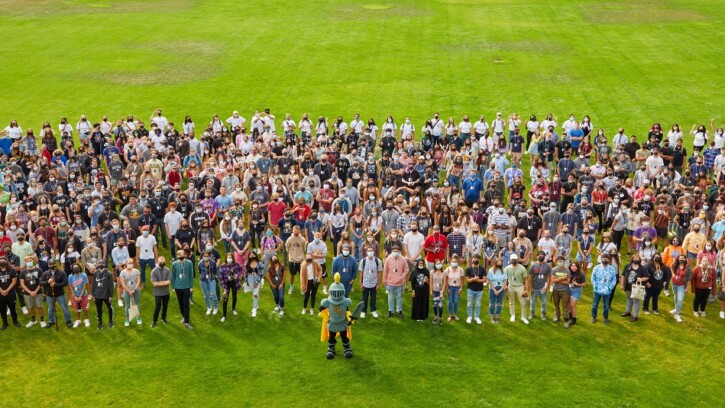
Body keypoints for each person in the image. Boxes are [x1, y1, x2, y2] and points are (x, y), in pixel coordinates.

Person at [40, 262, 72, 328]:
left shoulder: (62, 273)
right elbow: (40, 283)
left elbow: (65, 283)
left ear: (56, 264)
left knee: (64, 308)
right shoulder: (45, 273)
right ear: (48, 265)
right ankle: (51, 321)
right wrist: (47, 282)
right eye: (50, 264)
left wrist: (55, 284)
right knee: (50, 308)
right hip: (49, 295)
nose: (52, 265)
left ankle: (68, 320)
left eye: (53, 264)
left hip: (60, 294)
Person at [621, 254, 650, 323]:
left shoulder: (642, 268)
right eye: (634, 258)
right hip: (628, 286)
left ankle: (635, 316)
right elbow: (623, 275)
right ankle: (628, 312)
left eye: (637, 258)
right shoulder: (628, 266)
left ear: (639, 260)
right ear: (632, 259)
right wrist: (622, 284)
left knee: (636, 301)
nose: (636, 259)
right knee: (629, 299)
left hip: (637, 288)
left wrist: (641, 279)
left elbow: (647, 277)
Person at [382, 245, 409, 318]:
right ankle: (390, 311)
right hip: (390, 282)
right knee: (390, 297)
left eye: (397, 251)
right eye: (394, 251)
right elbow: (385, 270)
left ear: (400, 251)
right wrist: (384, 280)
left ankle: (399, 311)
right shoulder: (388, 259)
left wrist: (401, 277)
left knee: (399, 297)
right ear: (391, 251)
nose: (395, 252)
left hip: (399, 283)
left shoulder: (403, 259)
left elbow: (406, 270)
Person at [591, 254, 618, 324]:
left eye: (606, 259)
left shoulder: (612, 269)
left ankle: (606, 318)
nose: (604, 260)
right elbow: (592, 278)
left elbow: (614, 280)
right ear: (601, 259)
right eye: (603, 259)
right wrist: (595, 286)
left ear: (609, 260)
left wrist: (610, 288)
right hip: (597, 290)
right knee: (594, 305)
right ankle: (593, 317)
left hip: (607, 291)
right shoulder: (596, 268)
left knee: (606, 306)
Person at [19, 255, 45, 328]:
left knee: (40, 306)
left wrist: (35, 291)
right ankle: (33, 320)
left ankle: (42, 321)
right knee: (31, 307)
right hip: (27, 293)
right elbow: (22, 284)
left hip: (38, 292)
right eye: (27, 261)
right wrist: (30, 292)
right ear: (25, 262)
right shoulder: (23, 272)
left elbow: (41, 282)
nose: (29, 262)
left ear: (33, 261)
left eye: (30, 260)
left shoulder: (38, 270)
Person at [171, 250, 194, 329]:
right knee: (180, 304)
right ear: (177, 256)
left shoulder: (189, 263)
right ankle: (184, 316)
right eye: (179, 254)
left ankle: (187, 322)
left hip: (186, 287)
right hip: (178, 287)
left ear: (185, 255)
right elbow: (173, 276)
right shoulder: (174, 264)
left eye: (182, 254)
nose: (181, 256)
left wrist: (191, 286)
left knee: (186, 305)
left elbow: (191, 275)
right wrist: (173, 286)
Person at [504, 254, 529, 324]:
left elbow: (526, 279)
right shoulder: (507, 268)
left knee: (523, 302)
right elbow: (504, 278)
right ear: (510, 260)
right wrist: (505, 286)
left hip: (520, 286)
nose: (513, 260)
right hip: (511, 286)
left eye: (515, 259)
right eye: (512, 259)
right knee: (511, 302)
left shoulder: (522, 268)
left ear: (517, 259)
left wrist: (526, 289)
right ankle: (512, 315)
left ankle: (523, 317)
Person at [358, 249, 382, 318]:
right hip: (365, 283)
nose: (370, 252)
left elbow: (379, 273)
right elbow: (361, 272)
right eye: (369, 251)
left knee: (373, 298)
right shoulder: (363, 261)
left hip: (374, 283)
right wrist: (360, 283)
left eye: (371, 251)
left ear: (373, 252)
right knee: (364, 298)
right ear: (366, 252)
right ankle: (363, 311)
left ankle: (373, 310)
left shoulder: (378, 261)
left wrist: (378, 284)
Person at [219, 253, 243, 321]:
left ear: (232, 258)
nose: (229, 259)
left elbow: (240, 270)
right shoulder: (222, 266)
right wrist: (224, 288)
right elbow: (221, 278)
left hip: (234, 283)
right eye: (228, 257)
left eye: (230, 257)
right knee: (225, 299)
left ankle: (233, 309)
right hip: (226, 284)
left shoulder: (236, 264)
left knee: (234, 296)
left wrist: (237, 275)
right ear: (226, 258)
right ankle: (224, 315)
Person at [528, 252, 551, 321]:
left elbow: (548, 277)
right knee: (532, 302)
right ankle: (532, 313)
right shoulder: (533, 266)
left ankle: (543, 314)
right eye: (540, 256)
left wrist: (547, 287)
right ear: (537, 256)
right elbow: (530, 277)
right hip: (534, 288)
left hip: (543, 288)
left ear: (544, 257)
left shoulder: (547, 266)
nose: (541, 257)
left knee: (543, 302)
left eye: (543, 256)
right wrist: (531, 287)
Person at [464, 254, 486, 324]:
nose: (476, 259)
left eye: (477, 258)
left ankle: (477, 316)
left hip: (479, 290)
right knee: (469, 303)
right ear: (472, 259)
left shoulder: (482, 269)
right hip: (470, 289)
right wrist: (474, 279)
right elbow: (467, 280)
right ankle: (470, 316)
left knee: (478, 304)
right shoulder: (468, 269)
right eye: (474, 258)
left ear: (479, 260)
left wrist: (476, 280)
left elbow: (484, 280)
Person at [119, 259, 141, 327]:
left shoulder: (136, 271)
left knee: (136, 304)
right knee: (128, 306)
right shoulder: (122, 273)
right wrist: (129, 291)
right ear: (126, 263)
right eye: (129, 263)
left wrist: (134, 290)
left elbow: (138, 282)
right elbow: (123, 284)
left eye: (131, 263)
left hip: (136, 290)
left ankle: (138, 317)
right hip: (126, 291)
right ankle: (127, 319)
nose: (130, 264)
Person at [669, 255, 691, 322]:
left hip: (682, 285)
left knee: (680, 300)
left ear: (685, 259)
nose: (681, 259)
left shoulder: (688, 268)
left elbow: (689, 279)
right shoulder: (676, 264)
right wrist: (673, 274)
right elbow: (671, 266)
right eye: (679, 258)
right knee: (675, 296)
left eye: (682, 258)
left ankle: (677, 315)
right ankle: (676, 309)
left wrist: (687, 288)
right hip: (674, 283)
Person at [150, 256, 171, 327]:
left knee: (165, 306)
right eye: (160, 262)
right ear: (157, 262)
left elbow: (169, 281)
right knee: (157, 307)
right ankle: (154, 320)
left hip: (166, 292)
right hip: (158, 293)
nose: (162, 263)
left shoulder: (167, 270)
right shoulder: (154, 271)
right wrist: (164, 282)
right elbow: (154, 284)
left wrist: (159, 282)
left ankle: (163, 318)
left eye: (163, 262)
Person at [0, 259, 21, 329]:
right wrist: (2, 291)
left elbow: (14, 281)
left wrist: (7, 290)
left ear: (6, 262)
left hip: (11, 294)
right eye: (0, 261)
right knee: (2, 309)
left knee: (12, 309)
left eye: (3, 260)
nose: (2, 262)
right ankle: (5, 323)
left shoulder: (12, 270)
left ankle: (15, 321)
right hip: (1, 294)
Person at [550, 256, 570, 324]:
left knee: (565, 306)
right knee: (556, 304)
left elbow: (567, 282)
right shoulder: (554, 270)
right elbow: (553, 280)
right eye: (559, 261)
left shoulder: (567, 271)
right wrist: (563, 278)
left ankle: (566, 320)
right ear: (556, 262)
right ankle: (556, 316)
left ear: (564, 262)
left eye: (562, 261)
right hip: (556, 290)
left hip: (565, 290)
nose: (560, 262)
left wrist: (558, 279)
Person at [198, 249, 219, 316]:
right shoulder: (200, 263)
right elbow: (199, 271)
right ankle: (209, 307)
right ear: (202, 256)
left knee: (213, 293)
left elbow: (215, 270)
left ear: (209, 256)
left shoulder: (213, 262)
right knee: (206, 294)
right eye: (204, 256)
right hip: (203, 280)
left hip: (211, 279)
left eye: (207, 256)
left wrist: (212, 275)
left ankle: (215, 307)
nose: (206, 257)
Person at [566, 262, 586, 328]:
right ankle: (570, 315)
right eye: (572, 266)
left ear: (577, 267)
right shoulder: (568, 272)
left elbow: (584, 284)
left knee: (573, 305)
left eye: (575, 266)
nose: (573, 267)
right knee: (568, 304)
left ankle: (574, 319)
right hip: (568, 289)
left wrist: (578, 284)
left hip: (576, 291)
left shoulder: (581, 274)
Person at [245, 253, 264, 318]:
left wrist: (257, 281)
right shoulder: (247, 262)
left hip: (257, 277)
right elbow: (245, 272)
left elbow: (261, 273)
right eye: (250, 255)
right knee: (254, 293)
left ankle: (254, 308)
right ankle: (257, 305)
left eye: (253, 255)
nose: (252, 256)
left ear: (255, 255)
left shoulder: (259, 263)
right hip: (250, 278)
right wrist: (246, 280)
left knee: (255, 294)